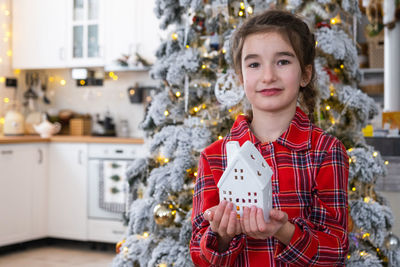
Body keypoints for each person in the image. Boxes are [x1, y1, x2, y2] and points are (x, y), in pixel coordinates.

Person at [190, 9, 349, 266]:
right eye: (254, 64)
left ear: (305, 74)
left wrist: (283, 231)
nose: (268, 76)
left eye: (283, 61)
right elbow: (200, 256)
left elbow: (335, 251)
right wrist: (220, 236)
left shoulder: (326, 152)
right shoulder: (214, 157)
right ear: (242, 79)